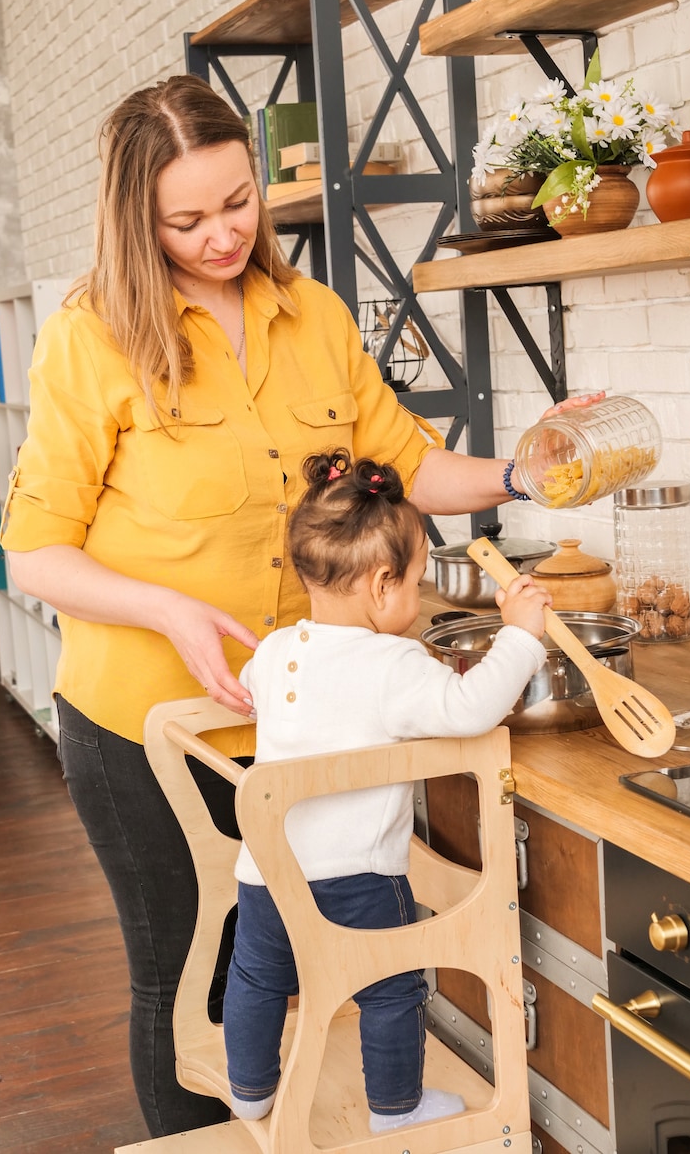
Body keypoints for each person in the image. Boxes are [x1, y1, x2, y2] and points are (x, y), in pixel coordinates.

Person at [0, 72, 601, 1138]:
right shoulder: (88, 340)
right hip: (151, 722)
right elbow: (34, 551)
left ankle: (301, 1126)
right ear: (134, 217)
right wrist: (166, 611)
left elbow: (407, 466)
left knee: (285, 963)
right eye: (185, 219)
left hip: (303, 729)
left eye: (237, 202)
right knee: (188, 970)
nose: (223, 234)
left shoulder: (312, 315)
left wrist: (521, 471)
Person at [223, 449, 551, 1132]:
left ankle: (249, 1090)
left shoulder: (278, 648)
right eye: (417, 581)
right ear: (380, 585)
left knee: (255, 977)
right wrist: (519, 637)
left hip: (265, 870)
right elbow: (468, 709)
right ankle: (395, 1109)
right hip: (358, 878)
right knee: (392, 986)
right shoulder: (394, 664)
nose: (418, 595)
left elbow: (253, 688)